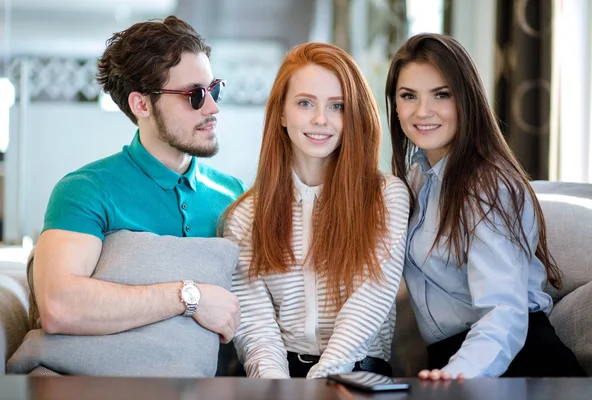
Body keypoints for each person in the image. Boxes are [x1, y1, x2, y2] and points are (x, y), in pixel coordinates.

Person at [31, 16, 243, 347]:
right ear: (141, 103)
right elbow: (59, 307)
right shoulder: (85, 190)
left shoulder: (233, 195)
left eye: (214, 89)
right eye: (195, 95)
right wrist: (190, 297)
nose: (213, 107)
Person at [385, 33, 586, 379]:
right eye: (408, 96)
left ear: (467, 100)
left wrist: (460, 371)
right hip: (452, 362)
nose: (422, 111)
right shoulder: (416, 180)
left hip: (516, 365)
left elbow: (504, 310)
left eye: (441, 95)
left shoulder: (487, 184)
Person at [222, 42, 410, 379]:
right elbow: (256, 328)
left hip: (359, 374)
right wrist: (279, 389)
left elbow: (370, 302)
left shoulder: (386, 197)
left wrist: (322, 378)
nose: (321, 119)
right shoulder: (246, 215)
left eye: (337, 105)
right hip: (278, 381)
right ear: (281, 112)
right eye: (305, 103)